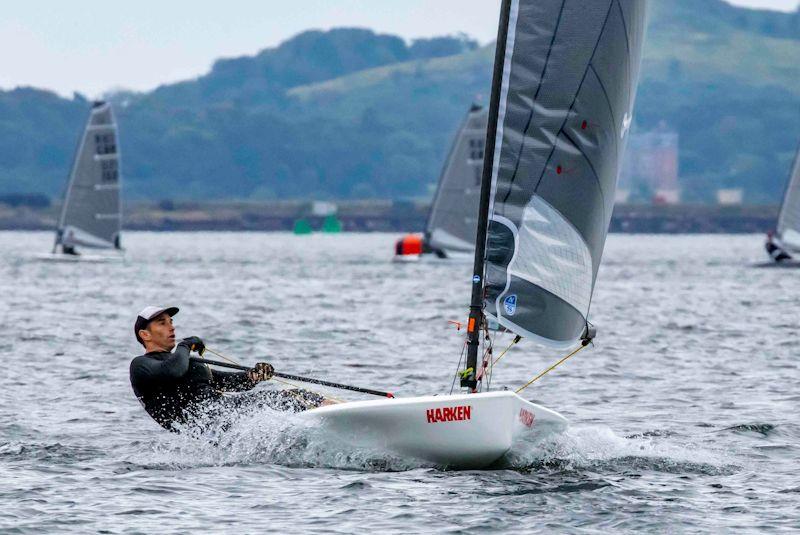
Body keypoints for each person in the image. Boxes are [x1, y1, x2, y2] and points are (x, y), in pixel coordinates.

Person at [129, 306, 329, 432]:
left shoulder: (182, 361)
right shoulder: (141, 365)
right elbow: (173, 372)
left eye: (171, 322)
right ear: (145, 335)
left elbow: (227, 382)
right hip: (211, 419)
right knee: (294, 397)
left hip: (226, 410)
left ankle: (344, 410)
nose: (171, 327)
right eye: (162, 323)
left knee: (300, 396)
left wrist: (254, 376)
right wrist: (185, 345)